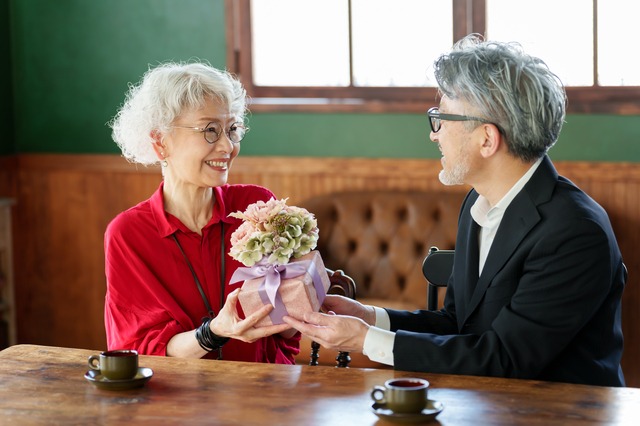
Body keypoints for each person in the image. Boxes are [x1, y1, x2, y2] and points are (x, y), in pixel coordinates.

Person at [283, 34, 626, 386]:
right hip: (491, 405)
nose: (435, 134)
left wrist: (364, 340)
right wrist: (370, 317)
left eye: (442, 118)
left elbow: (505, 359)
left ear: (487, 139)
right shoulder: (479, 203)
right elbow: (458, 324)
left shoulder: (575, 232)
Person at [105, 61, 299, 363]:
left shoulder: (257, 207)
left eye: (232, 129)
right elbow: (139, 349)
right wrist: (215, 331)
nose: (227, 146)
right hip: (180, 401)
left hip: (265, 393)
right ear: (160, 142)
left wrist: (304, 289)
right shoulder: (129, 234)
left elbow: (288, 331)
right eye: (210, 130)